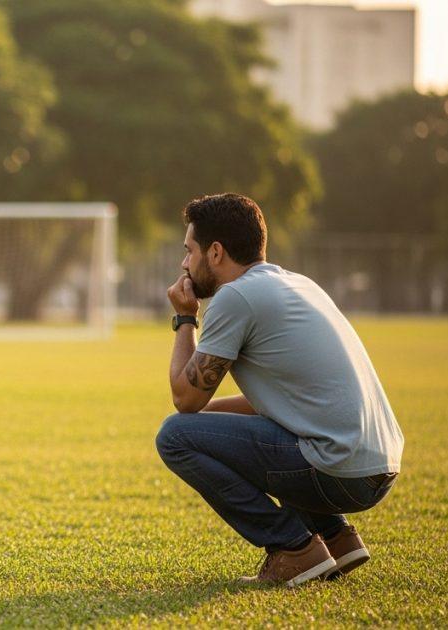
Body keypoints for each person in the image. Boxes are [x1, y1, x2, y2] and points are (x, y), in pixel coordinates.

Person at [156, 193, 403, 587]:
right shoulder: (299, 284)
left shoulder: (235, 297)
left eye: (189, 251)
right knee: (205, 430)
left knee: (174, 436)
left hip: (338, 470)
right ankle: (336, 539)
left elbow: (185, 398)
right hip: (377, 467)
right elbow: (282, 404)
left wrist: (185, 317)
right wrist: (208, 423)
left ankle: (294, 549)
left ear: (215, 252)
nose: (184, 263)